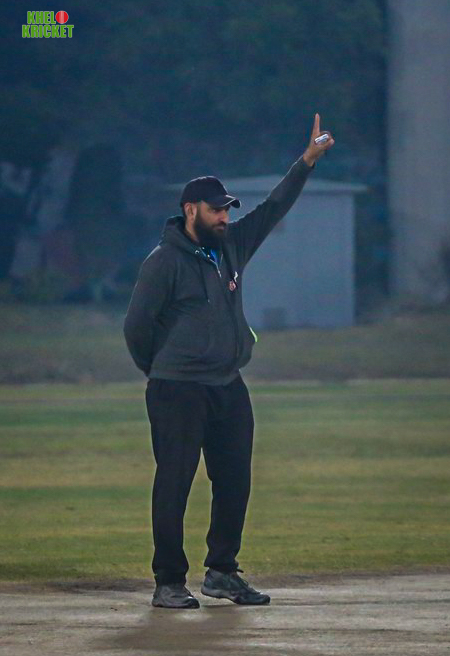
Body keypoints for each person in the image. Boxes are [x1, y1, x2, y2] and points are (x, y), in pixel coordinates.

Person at [123, 114, 334, 609]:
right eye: (216, 210)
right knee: (174, 482)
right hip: (177, 388)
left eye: (226, 209)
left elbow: (274, 208)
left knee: (235, 479)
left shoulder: (232, 246)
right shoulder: (163, 262)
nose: (224, 217)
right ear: (190, 209)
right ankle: (168, 581)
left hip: (227, 384)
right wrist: (162, 369)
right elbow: (137, 327)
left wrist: (306, 162)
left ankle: (221, 572)